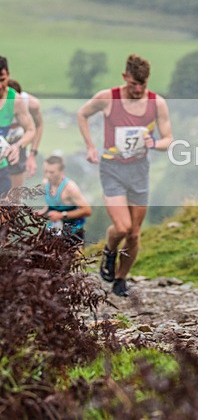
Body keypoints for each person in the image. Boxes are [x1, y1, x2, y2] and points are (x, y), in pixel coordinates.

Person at [77, 54, 173, 297]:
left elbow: (168, 139)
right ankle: (110, 252)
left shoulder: (156, 103)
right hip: (112, 168)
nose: (138, 89)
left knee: (134, 233)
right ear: (124, 78)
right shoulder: (107, 97)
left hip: (139, 170)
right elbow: (82, 114)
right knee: (122, 226)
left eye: (143, 84)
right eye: (133, 84)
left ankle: (121, 278)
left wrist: (153, 142)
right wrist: (90, 146)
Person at [35, 155, 92, 245]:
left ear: (61, 171)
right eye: (45, 171)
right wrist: (43, 212)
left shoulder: (70, 188)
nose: (48, 175)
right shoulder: (45, 183)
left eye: (52, 172)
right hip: (54, 228)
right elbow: (52, 204)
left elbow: (87, 210)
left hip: (73, 231)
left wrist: (61, 215)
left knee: (75, 259)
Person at [0, 57, 35, 198]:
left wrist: (17, 146)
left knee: (7, 214)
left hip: (2, 167)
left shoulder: (15, 100)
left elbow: (30, 129)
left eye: (2, 80)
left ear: (8, 75)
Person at [6, 79, 44, 189]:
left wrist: (32, 154)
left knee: (14, 195)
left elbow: (38, 125)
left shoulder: (31, 103)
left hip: (19, 144)